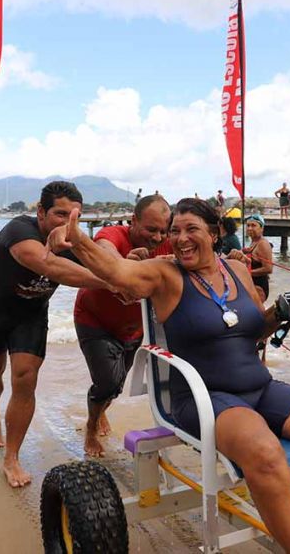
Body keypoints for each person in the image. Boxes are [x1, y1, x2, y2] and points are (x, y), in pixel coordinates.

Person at [50, 198, 290, 553]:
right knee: (265, 453)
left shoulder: (237, 271)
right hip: (203, 398)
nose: (180, 239)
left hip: (261, 389)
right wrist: (79, 240)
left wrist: (279, 314)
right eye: (174, 231)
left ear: (213, 234)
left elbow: (256, 331)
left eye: (191, 229)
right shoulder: (164, 274)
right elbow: (117, 272)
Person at [0, 181, 111, 487]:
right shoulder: (19, 231)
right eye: (60, 214)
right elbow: (51, 266)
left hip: (30, 315)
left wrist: (134, 268)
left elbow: (106, 259)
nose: (67, 223)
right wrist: (111, 283)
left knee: (24, 377)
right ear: (41, 212)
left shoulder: (74, 240)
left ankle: (12, 457)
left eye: (75, 216)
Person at [74, 195, 173, 456]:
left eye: (163, 230)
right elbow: (105, 250)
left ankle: (101, 409)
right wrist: (123, 262)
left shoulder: (167, 245)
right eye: (151, 229)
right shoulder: (113, 234)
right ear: (133, 221)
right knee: (106, 383)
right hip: (93, 318)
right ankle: (91, 427)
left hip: (134, 327)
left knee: (117, 385)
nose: (157, 237)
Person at [239, 214, 273, 301]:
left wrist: (247, 273)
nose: (249, 228)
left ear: (262, 229)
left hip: (259, 288)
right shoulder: (254, 243)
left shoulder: (263, 244)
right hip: (252, 285)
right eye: (248, 225)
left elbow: (268, 269)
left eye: (253, 225)